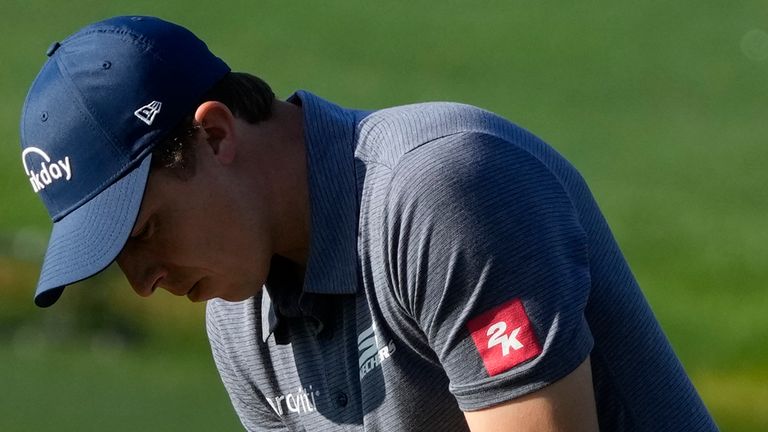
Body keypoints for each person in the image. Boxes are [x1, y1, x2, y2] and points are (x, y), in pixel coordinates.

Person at [19, 16, 718, 431]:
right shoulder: (236, 323)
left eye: (142, 233)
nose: (143, 283)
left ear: (214, 136)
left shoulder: (441, 189)